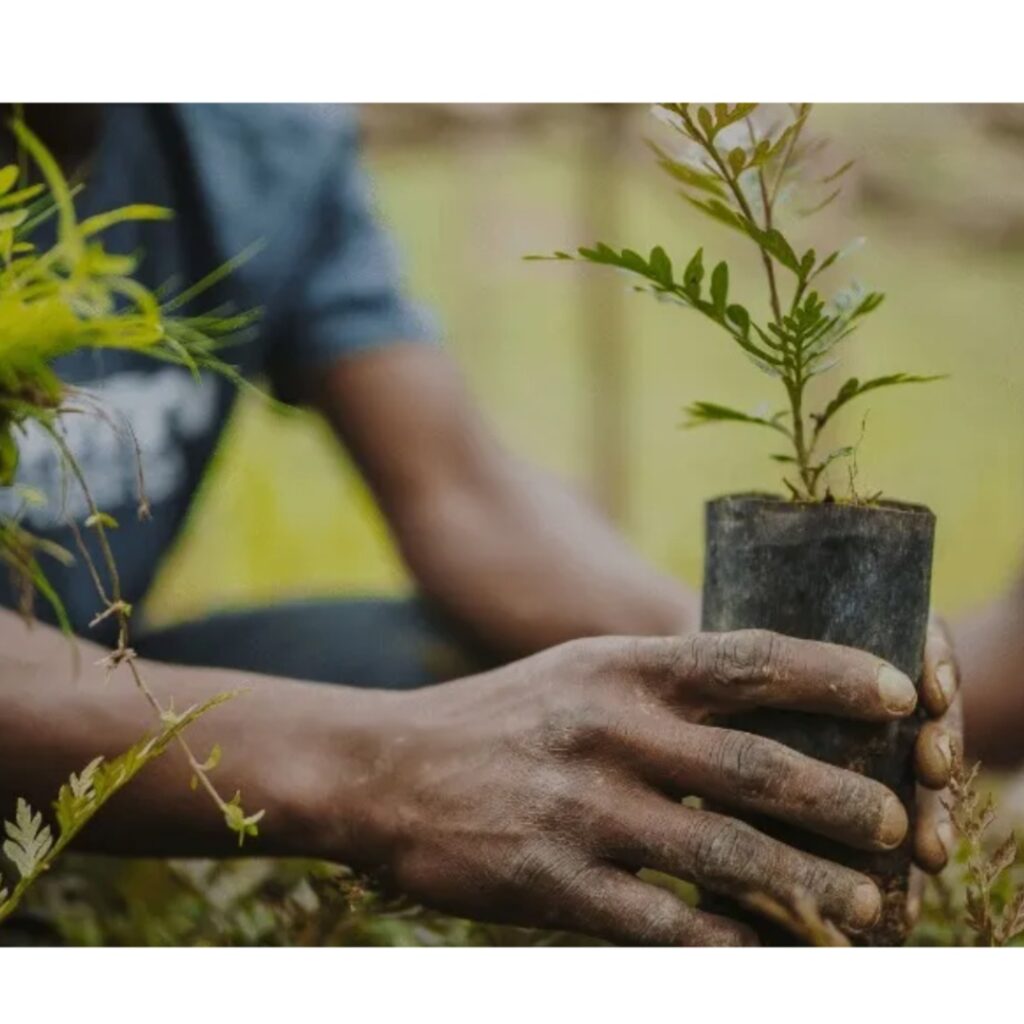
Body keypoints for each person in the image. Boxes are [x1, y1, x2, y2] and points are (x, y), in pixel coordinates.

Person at [0, 104, 962, 945]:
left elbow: (461, 493)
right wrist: (383, 768)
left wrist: (731, 675)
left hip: (78, 664)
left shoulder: (248, 138)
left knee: (434, 662)